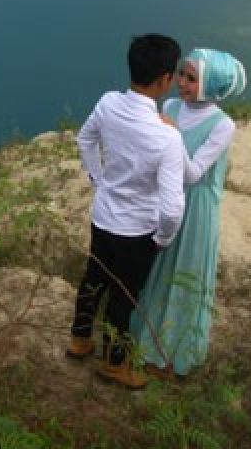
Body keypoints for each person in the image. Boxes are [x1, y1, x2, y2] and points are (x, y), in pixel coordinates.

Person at [67, 34, 187, 390]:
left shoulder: (107, 104)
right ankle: (114, 364)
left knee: (93, 279)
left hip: (104, 217)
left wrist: (98, 179)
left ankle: (79, 339)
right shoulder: (167, 138)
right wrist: (164, 237)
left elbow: (84, 140)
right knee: (124, 296)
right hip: (138, 231)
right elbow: (172, 205)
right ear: (166, 79)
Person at [131, 48, 246, 379]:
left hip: (196, 206)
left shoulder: (222, 125)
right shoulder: (171, 106)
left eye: (192, 78)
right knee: (156, 267)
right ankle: (146, 335)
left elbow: (194, 173)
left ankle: (175, 346)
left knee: (186, 270)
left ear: (211, 85)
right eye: (181, 74)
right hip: (164, 198)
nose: (181, 82)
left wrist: (171, 134)